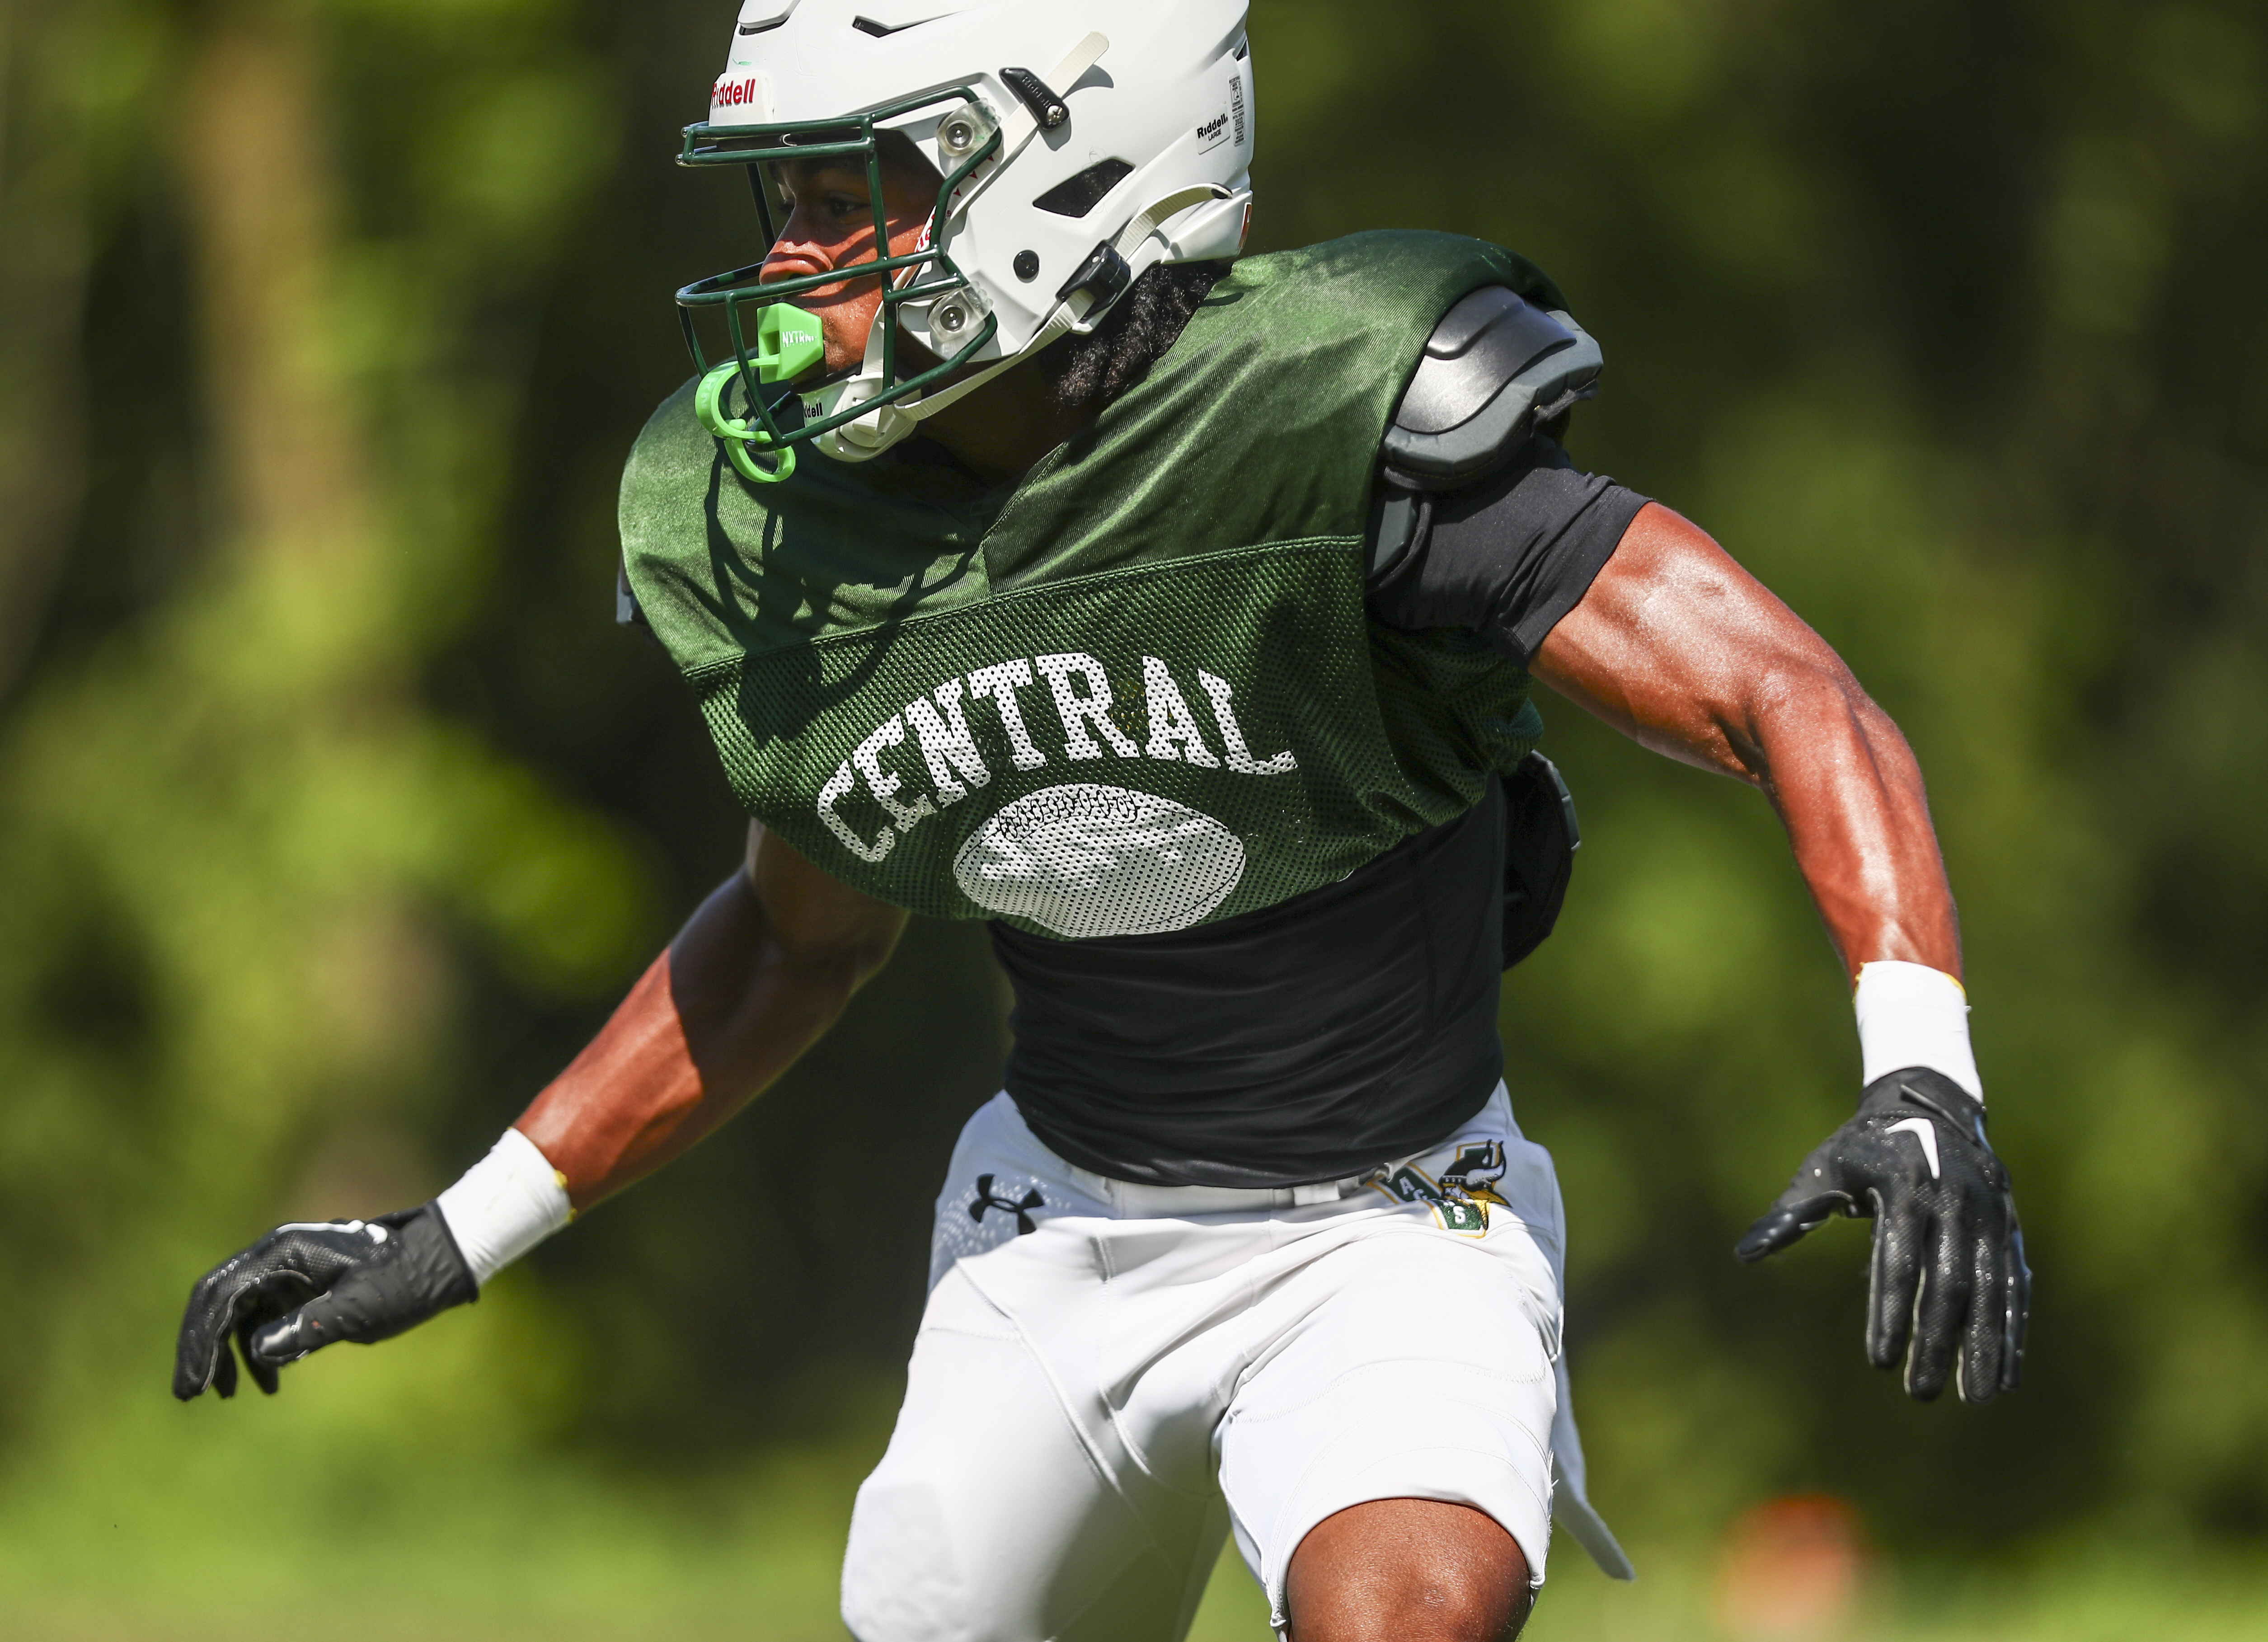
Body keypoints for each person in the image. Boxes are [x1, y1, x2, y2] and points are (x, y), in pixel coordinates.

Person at [173, 5, 2029, 1640]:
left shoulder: (1331, 423)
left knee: (1411, 1619)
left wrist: (1916, 1063)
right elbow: (795, 939)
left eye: (855, 189)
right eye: (782, 198)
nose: (795, 253)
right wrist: (459, 1229)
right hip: (1048, 1228)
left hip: (1388, 1221)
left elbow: (1790, 691)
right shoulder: (810, 533)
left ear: (1074, 168)